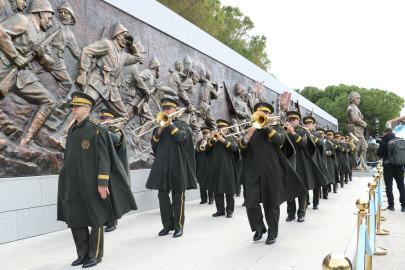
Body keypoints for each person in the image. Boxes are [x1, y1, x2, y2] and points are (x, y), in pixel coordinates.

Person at [57, 92, 137, 268]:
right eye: (72, 106)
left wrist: (102, 183)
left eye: (77, 107)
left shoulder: (97, 129)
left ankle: (95, 255)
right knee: (76, 219)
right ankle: (82, 253)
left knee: (95, 219)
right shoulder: (72, 130)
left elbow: (104, 158)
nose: (73, 109)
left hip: (92, 183)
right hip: (74, 182)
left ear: (87, 109)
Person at [239, 103, 306, 245]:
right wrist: (249, 135)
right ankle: (258, 228)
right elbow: (242, 150)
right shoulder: (250, 130)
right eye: (259, 113)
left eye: (265, 114)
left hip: (271, 171)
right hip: (252, 171)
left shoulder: (277, 128)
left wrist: (266, 127)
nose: (262, 116)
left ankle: (272, 233)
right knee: (251, 201)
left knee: (271, 203)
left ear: (270, 115)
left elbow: (281, 141)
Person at [0, 0, 56, 147]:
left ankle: (24, 143)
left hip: (21, 76)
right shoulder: (22, 19)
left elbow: (51, 65)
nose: (50, 23)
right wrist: (14, 56)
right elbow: (1, 31)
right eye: (49, 18)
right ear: (40, 13)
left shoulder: (42, 35)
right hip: (3, 66)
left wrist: (42, 56)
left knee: (49, 102)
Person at [146, 98, 197, 238]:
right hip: (162, 165)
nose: (166, 111)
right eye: (164, 109)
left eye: (169, 109)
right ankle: (167, 225)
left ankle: (178, 226)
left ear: (175, 110)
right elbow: (154, 144)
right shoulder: (160, 126)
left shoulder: (183, 125)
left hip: (177, 164)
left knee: (178, 197)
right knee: (162, 195)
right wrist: (161, 128)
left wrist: (169, 124)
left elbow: (181, 138)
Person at [76, 23, 141, 119]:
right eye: (124, 37)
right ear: (117, 35)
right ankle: (64, 132)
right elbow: (87, 51)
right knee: (82, 108)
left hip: (111, 87)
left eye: (127, 39)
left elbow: (137, 58)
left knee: (124, 116)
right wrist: (83, 72)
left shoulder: (123, 55)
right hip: (98, 82)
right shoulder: (108, 44)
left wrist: (131, 44)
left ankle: (109, 134)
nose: (126, 41)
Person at [285, 111, 327, 222]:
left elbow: (304, 143)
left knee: (302, 190)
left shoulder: (303, 131)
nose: (291, 122)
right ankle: (291, 213)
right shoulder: (284, 130)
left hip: (301, 163)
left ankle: (301, 213)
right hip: (289, 163)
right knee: (289, 189)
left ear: (298, 120)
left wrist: (293, 133)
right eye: (289, 120)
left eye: (293, 120)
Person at [99, 109, 130, 232]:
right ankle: (104, 219)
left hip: (114, 169)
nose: (102, 120)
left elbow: (115, 139)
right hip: (102, 167)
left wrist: (102, 130)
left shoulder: (116, 131)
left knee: (112, 195)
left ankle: (112, 221)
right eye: (102, 118)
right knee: (102, 196)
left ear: (112, 120)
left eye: (105, 118)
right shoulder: (99, 131)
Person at [203, 119, 239, 218]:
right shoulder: (213, 139)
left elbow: (234, 148)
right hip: (216, 167)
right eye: (219, 127)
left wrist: (223, 140)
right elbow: (207, 149)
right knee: (217, 190)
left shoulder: (230, 138)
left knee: (229, 190)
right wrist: (212, 140)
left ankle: (230, 210)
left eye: (222, 127)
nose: (220, 129)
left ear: (227, 129)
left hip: (227, 167)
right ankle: (220, 210)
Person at [303, 117, 331, 209]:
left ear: (313, 125)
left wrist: (312, 137)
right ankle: (306, 201)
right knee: (306, 182)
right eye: (306, 124)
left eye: (309, 124)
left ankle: (316, 202)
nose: (308, 125)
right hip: (306, 159)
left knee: (316, 183)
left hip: (316, 160)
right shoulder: (302, 132)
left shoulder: (317, 134)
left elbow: (321, 144)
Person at [377, 128, 405, 212]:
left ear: (385, 132)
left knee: (389, 186)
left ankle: (391, 205)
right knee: (401, 185)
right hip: (399, 166)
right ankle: (403, 206)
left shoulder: (383, 141)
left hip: (388, 166)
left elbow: (378, 154)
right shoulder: (399, 140)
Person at [195, 126, 214, 204]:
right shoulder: (199, 142)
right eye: (204, 133)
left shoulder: (212, 141)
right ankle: (203, 199)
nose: (205, 135)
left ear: (209, 134)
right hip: (201, 164)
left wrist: (206, 145)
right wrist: (200, 146)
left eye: (206, 133)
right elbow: (195, 152)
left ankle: (211, 199)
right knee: (201, 182)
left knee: (210, 181)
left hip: (209, 164)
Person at [325, 130, 340, 194]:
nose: (329, 136)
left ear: (333, 136)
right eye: (328, 135)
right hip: (329, 160)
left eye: (330, 135)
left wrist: (333, 145)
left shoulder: (336, 142)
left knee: (335, 174)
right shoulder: (325, 142)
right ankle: (328, 189)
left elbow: (339, 148)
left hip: (336, 159)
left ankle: (335, 188)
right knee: (329, 174)